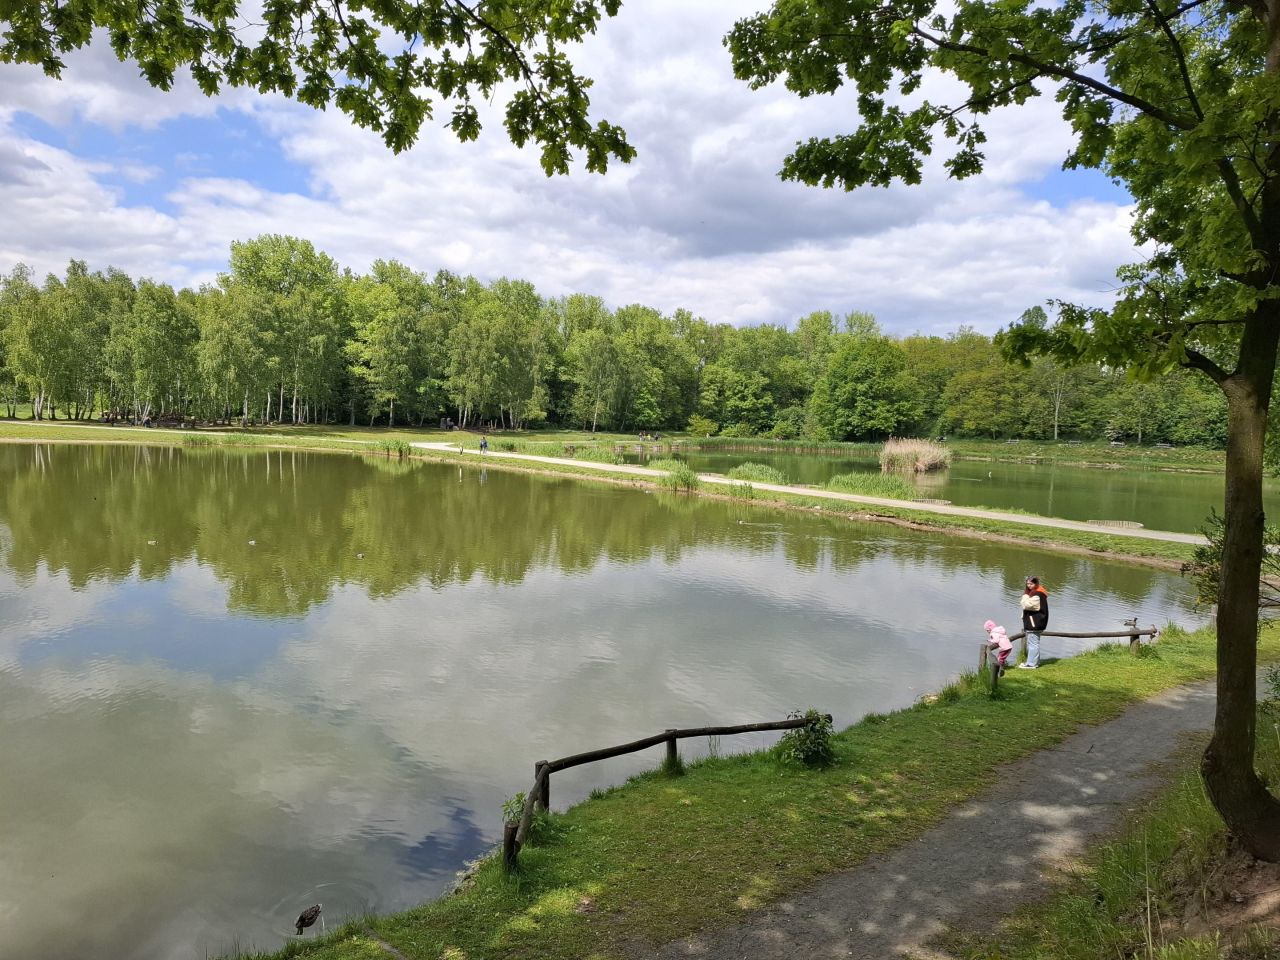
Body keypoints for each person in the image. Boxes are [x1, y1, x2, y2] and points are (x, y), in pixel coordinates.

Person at [1019, 575, 1049, 669]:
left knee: (1033, 644)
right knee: (1033, 643)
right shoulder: (1038, 593)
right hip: (1036, 623)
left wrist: (1025, 596)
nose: (1029, 586)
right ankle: (1034, 662)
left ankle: (1031, 664)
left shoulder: (1037, 594)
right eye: (1027, 584)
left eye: (1031, 584)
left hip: (1034, 623)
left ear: (1036, 584)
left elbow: (1026, 605)